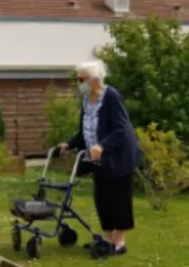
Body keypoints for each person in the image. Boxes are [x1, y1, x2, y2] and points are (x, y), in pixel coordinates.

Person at [57, 60, 139, 256]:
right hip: (98, 159)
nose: (78, 83)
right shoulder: (87, 100)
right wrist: (69, 143)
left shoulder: (111, 97)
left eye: (81, 79)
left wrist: (102, 146)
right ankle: (107, 238)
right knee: (102, 199)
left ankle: (119, 242)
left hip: (118, 158)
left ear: (94, 80)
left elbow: (121, 128)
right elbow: (85, 130)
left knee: (118, 199)